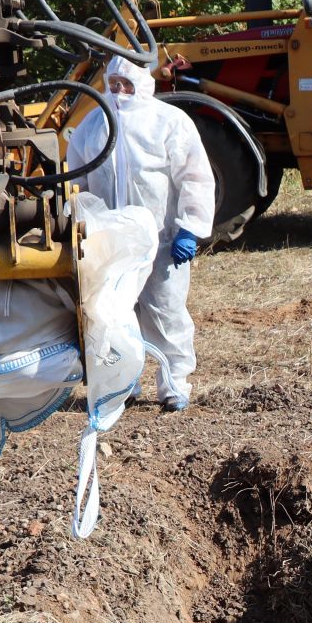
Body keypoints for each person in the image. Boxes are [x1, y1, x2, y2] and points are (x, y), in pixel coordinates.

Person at [71, 53, 216, 411]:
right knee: (113, 316)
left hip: (162, 242)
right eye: (114, 84)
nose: (120, 92)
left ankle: (174, 383)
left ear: (144, 85)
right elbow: (76, 183)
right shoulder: (93, 125)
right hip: (110, 243)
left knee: (165, 314)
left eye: (127, 85)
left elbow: (195, 178)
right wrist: (79, 226)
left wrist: (190, 229)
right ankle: (122, 384)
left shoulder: (168, 122)